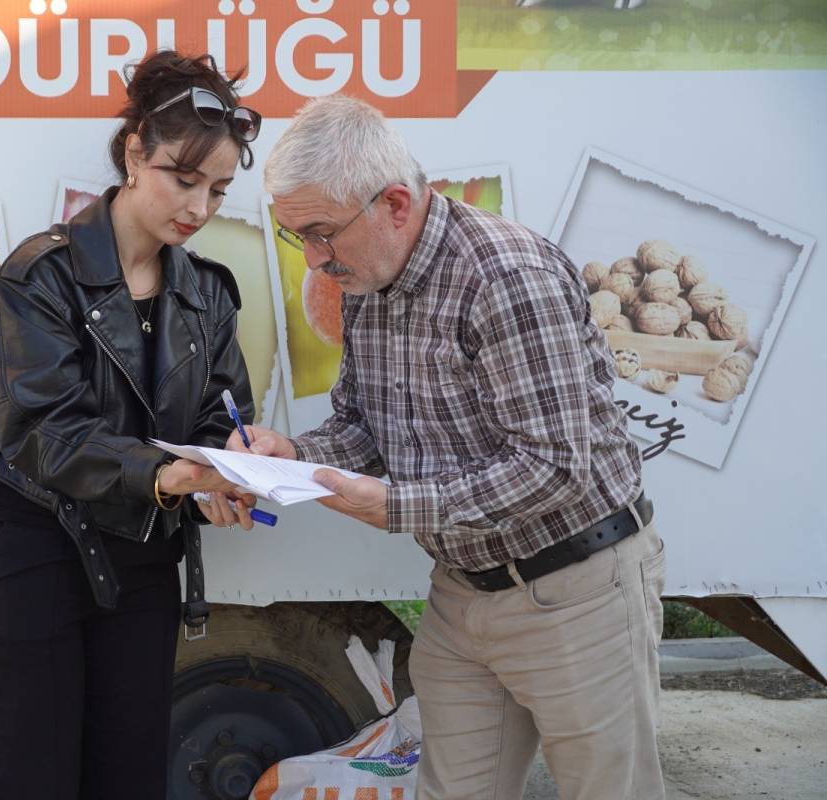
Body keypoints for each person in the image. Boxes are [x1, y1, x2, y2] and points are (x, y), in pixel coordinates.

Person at [232, 96, 665, 800]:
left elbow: (555, 467)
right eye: (296, 238)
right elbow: (361, 425)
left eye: (320, 234)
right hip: (462, 593)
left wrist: (399, 507)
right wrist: (291, 456)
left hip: (576, 588)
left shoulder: (505, 277)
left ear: (396, 204)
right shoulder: (366, 276)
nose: (313, 259)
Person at [0, 50, 262, 799]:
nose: (198, 207)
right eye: (183, 180)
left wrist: (238, 465)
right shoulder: (42, 273)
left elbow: (224, 414)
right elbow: (40, 429)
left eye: (218, 190)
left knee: (128, 779)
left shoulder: (208, 292)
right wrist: (162, 475)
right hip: (29, 549)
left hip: (143, 559)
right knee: (36, 781)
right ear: (133, 152)